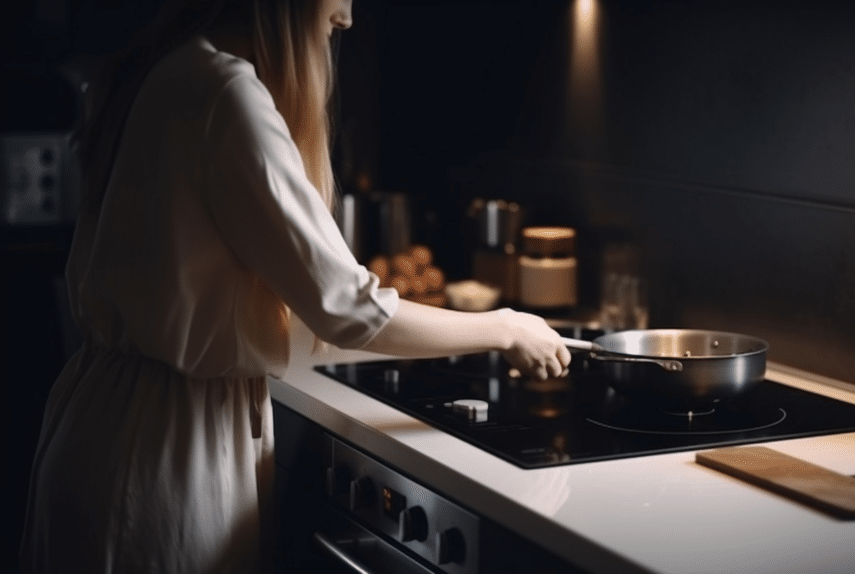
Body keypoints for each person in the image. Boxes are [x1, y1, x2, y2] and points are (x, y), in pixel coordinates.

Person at [19, 0, 571, 572]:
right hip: (165, 453)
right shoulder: (225, 95)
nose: (350, 17)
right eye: (339, 2)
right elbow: (350, 309)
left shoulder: (165, 68)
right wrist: (505, 327)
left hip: (102, 426)